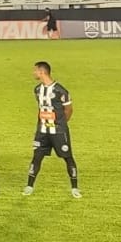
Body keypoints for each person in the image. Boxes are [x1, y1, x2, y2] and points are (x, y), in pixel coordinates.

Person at [26, 61, 81, 198]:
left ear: (42, 72)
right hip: (42, 131)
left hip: (58, 131)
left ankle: (74, 188)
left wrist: (60, 124)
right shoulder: (37, 89)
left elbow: (68, 110)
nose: (34, 73)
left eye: (35, 71)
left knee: (67, 157)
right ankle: (29, 186)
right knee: (36, 157)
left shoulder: (60, 91)